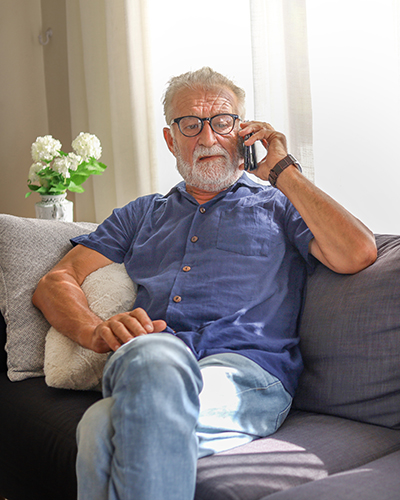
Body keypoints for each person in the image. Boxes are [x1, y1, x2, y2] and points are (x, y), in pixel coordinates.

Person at [32, 67, 377, 500]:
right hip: (150, 360)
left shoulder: (279, 206)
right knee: (136, 378)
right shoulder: (141, 214)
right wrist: (93, 330)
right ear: (170, 139)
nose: (208, 137)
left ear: (244, 133)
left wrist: (283, 170)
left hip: (247, 375)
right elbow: (55, 281)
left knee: (100, 427)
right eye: (190, 125)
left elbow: (358, 253)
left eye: (222, 121)